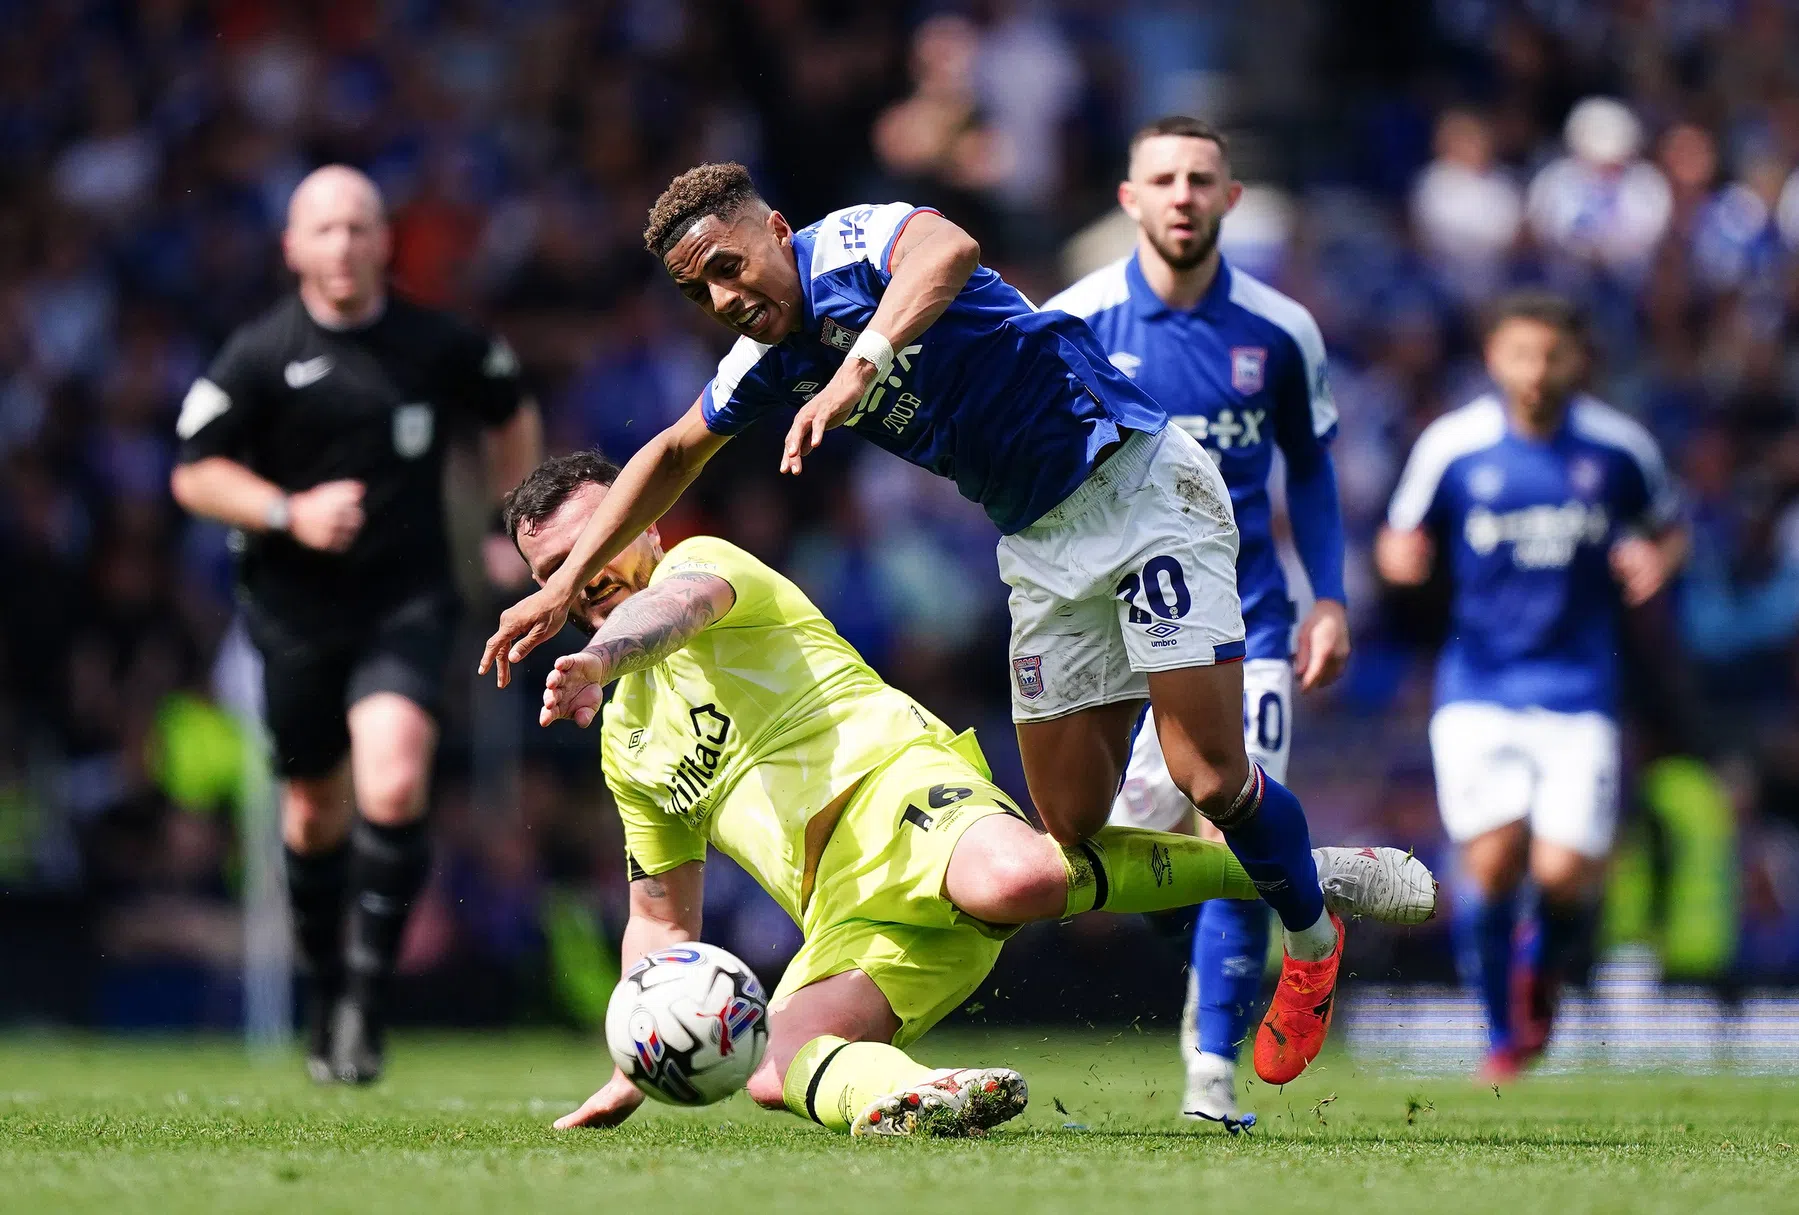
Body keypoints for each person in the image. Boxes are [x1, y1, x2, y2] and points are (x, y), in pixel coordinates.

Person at [480, 162, 1403, 1085]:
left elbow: (950, 248)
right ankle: (1282, 866)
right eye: (698, 289)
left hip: (1137, 482)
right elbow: (677, 446)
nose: (722, 297)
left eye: (728, 265)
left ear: (775, 227)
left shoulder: (849, 245)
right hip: (1039, 545)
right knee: (1071, 826)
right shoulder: (764, 359)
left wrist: (860, 366)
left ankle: (1312, 939)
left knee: (1205, 773)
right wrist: (561, 591)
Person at [501, 451, 1436, 1137]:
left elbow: (671, 612)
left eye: (596, 544)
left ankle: (1295, 873)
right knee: (773, 1068)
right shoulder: (625, 740)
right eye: (553, 572)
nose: (579, 578)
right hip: (840, 908)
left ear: (647, 521)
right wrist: (638, 1049)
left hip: (898, 788)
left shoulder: (702, 566)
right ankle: (916, 1097)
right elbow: (661, 922)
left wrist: (599, 651)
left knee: (1012, 882)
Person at [169, 165, 542, 1083]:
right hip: (295, 615)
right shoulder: (259, 355)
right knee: (313, 809)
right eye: (324, 228)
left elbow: (509, 409)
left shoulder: (435, 342)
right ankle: (327, 987)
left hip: (406, 601)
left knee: (395, 778)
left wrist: (512, 522)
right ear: (293, 246)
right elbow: (193, 473)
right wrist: (288, 511)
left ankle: (368, 1007)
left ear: (385, 241)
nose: (342, 244)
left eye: (359, 227)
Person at [1047, 116, 1349, 1130]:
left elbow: (1307, 468)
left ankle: (1210, 1079)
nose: (1181, 195)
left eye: (1200, 179)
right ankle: (1253, 956)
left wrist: (1330, 597)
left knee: (1227, 809)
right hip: (1109, 627)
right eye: (1162, 179)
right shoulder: (1074, 322)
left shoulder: (1278, 330)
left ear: (1229, 198)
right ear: (1129, 199)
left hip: (1245, 625)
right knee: (1114, 853)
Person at [1376, 291, 1687, 1080]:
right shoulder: (1454, 445)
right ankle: (1499, 1034)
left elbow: (1668, 524)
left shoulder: (1617, 449)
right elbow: (1396, 533)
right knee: (1488, 861)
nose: (1535, 371)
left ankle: (1540, 981)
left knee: (1559, 871)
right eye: (1520, 354)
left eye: (1551, 355)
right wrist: (1398, 561)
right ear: (1493, 358)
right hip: (1478, 683)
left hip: (1579, 686)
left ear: (1578, 360)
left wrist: (1656, 558)